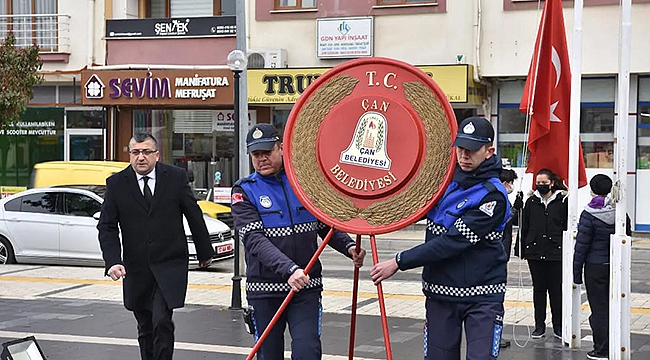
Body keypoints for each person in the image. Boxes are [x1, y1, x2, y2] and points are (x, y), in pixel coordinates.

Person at [371, 116, 511, 360]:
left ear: (489, 152)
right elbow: (407, 207)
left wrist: (398, 261)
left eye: (472, 150)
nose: (464, 156)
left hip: (483, 297)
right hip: (440, 294)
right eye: (461, 148)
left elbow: (451, 242)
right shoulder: (443, 182)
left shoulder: (493, 197)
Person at [231, 123, 367, 360]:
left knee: (308, 352)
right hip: (265, 291)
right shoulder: (244, 191)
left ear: (281, 148)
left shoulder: (305, 185)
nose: (262, 159)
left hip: (306, 287)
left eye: (267, 152)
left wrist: (349, 246)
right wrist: (289, 269)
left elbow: (324, 225)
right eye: (256, 155)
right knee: (268, 355)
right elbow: (254, 240)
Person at [97, 133, 215, 360]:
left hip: (169, 263)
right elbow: (107, 227)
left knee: (162, 320)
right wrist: (112, 261)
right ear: (129, 155)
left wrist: (204, 252)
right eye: (135, 152)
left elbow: (193, 215)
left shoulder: (175, 178)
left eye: (146, 152)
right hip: (137, 268)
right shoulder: (116, 184)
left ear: (157, 155)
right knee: (145, 326)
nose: (141, 157)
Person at [573, 174, 630, 360]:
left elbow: (581, 247)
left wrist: (576, 274)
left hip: (595, 267)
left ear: (592, 190)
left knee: (599, 309)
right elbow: (626, 236)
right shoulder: (620, 212)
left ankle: (601, 349)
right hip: (615, 266)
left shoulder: (588, 214)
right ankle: (617, 344)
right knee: (616, 306)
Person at [519, 168, 568, 339]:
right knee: (538, 289)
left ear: (552, 182)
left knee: (556, 290)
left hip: (556, 252)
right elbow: (524, 225)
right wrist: (521, 248)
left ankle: (558, 326)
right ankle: (539, 325)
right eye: (538, 183)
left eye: (544, 182)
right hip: (535, 251)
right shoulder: (531, 201)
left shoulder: (563, 201)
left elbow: (567, 226)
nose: (541, 185)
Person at [498, 168, 523, 348]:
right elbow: (502, 220)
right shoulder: (498, 198)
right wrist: (515, 209)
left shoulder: (501, 197)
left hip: (501, 253)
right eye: (511, 183)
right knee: (495, 299)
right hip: (497, 254)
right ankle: (493, 338)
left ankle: (494, 337)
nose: (512, 186)